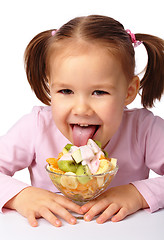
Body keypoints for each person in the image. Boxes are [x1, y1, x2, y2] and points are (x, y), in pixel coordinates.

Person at [0, 15, 164, 228]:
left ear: (129, 91)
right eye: (65, 90)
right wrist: (20, 195)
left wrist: (138, 193)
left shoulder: (144, 130)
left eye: (99, 92)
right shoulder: (36, 126)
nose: (81, 109)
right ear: (50, 87)